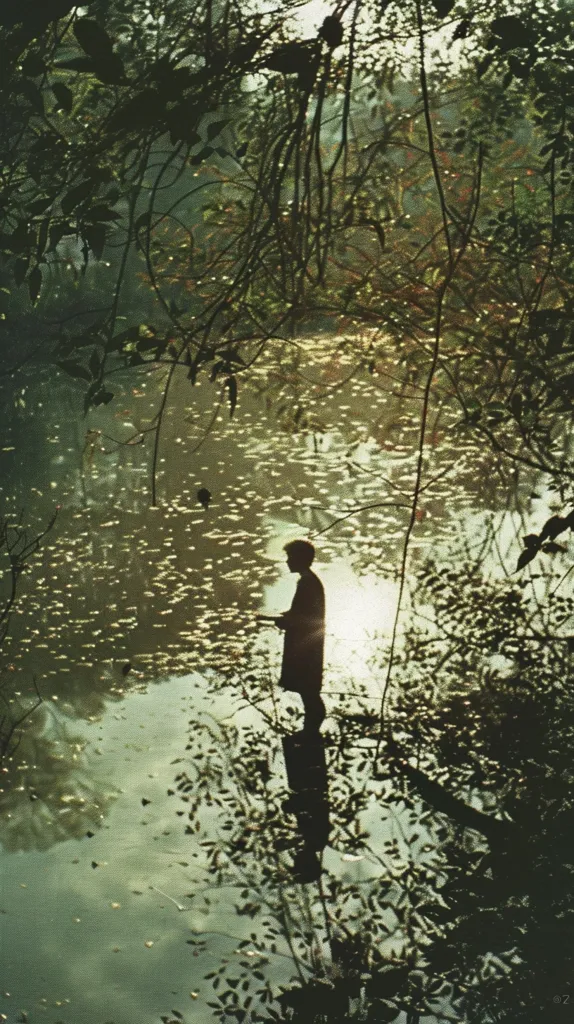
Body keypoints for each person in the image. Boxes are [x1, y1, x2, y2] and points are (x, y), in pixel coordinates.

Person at [257, 539, 326, 733]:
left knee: (309, 691)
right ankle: (311, 732)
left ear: (300, 559)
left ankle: (311, 734)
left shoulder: (306, 583)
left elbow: (302, 618)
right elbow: (301, 612)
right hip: (308, 642)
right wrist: (278, 616)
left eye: (290, 557)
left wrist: (275, 620)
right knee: (309, 691)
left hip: (305, 644)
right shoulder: (309, 580)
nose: (287, 561)